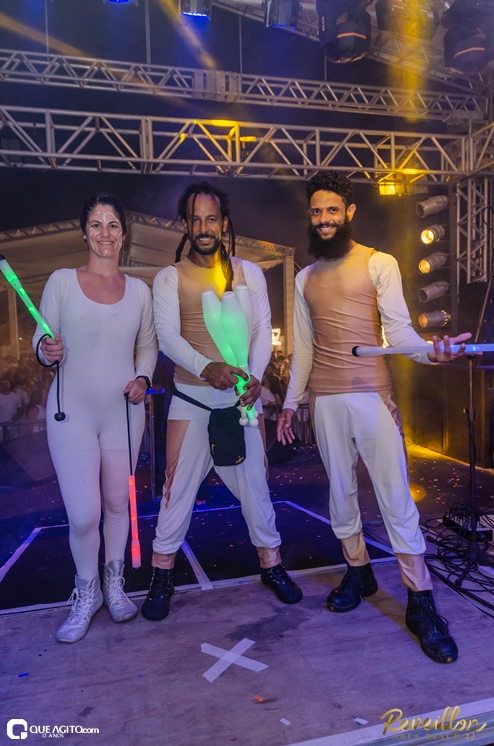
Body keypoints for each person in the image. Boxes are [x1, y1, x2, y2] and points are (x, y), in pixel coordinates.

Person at [277, 171, 472, 664]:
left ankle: (420, 602)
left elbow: (400, 334)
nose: (323, 219)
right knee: (339, 495)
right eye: (316, 212)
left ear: (349, 211)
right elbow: (304, 350)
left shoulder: (379, 262)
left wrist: (432, 353)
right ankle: (359, 571)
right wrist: (291, 403)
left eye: (332, 210)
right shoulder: (303, 278)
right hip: (325, 401)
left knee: (395, 499)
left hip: (371, 397)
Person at [142, 181, 302, 621]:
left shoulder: (249, 273)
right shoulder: (169, 277)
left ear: (224, 223)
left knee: (256, 490)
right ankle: (162, 575)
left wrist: (254, 375)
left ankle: (272, 566)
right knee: (176, 493)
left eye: (211, 219)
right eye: (195, 219)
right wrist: (205, 366)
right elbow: (166, 336)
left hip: (240, 401)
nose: (203, 227)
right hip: (190, 400)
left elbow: (262, 329)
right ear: (185, 224)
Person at [33, 195, 157, 643]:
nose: (105, 232)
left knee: (118, 504)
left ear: (124, 234)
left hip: (124, 413)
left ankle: (113, 584)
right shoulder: (61, 282)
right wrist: (45, 349)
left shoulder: (140, 291)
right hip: (72, 412)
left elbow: (148, 346)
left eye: (113, 224)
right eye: (96, 224)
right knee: (84, 514)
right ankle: (86, 592)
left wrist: (143, 377)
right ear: (84, 233)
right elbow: (42, 337)